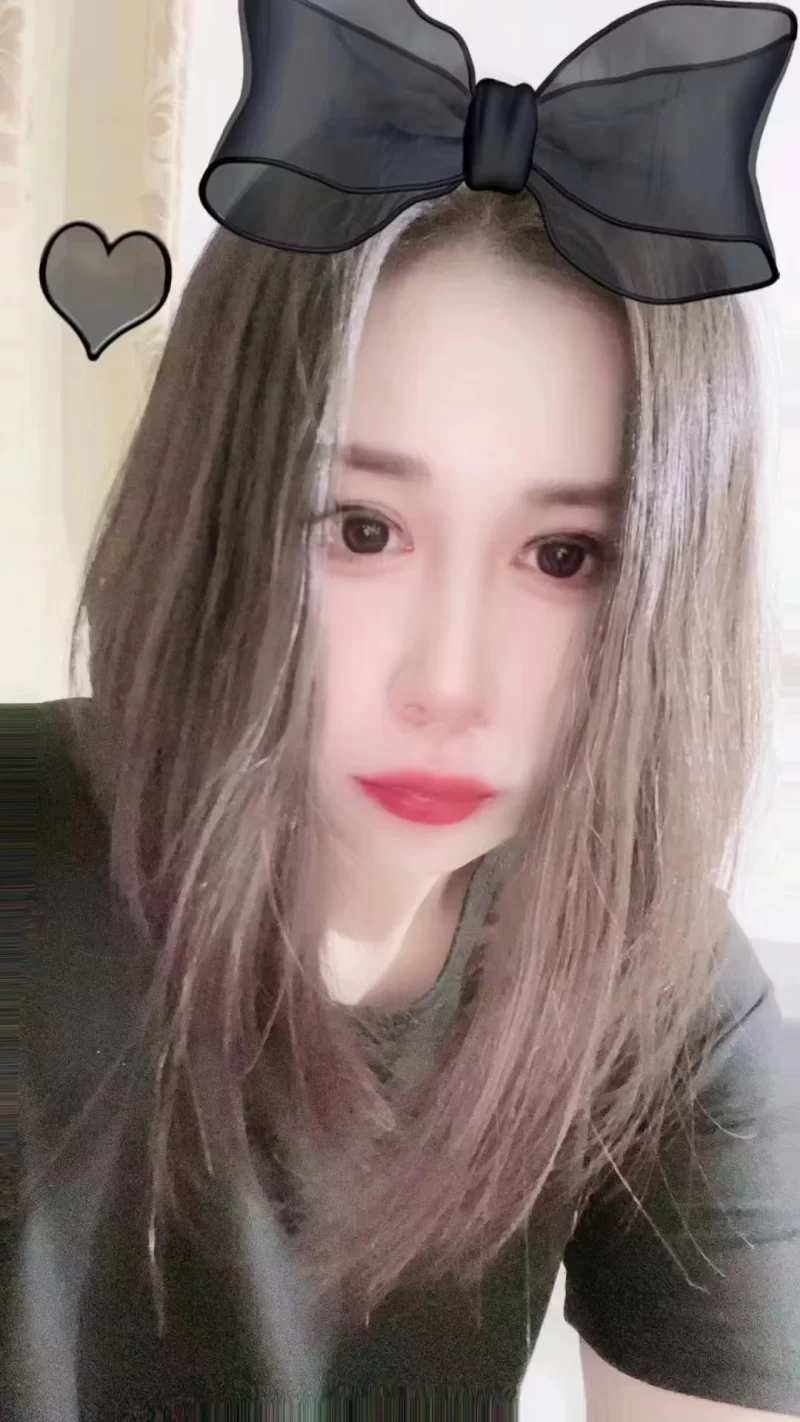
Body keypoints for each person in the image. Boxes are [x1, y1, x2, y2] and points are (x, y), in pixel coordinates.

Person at [4, 117, 800, 1422]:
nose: (450, 682)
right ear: (222, 510)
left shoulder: (660, 995)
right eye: (362, 529)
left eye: (565, 557)